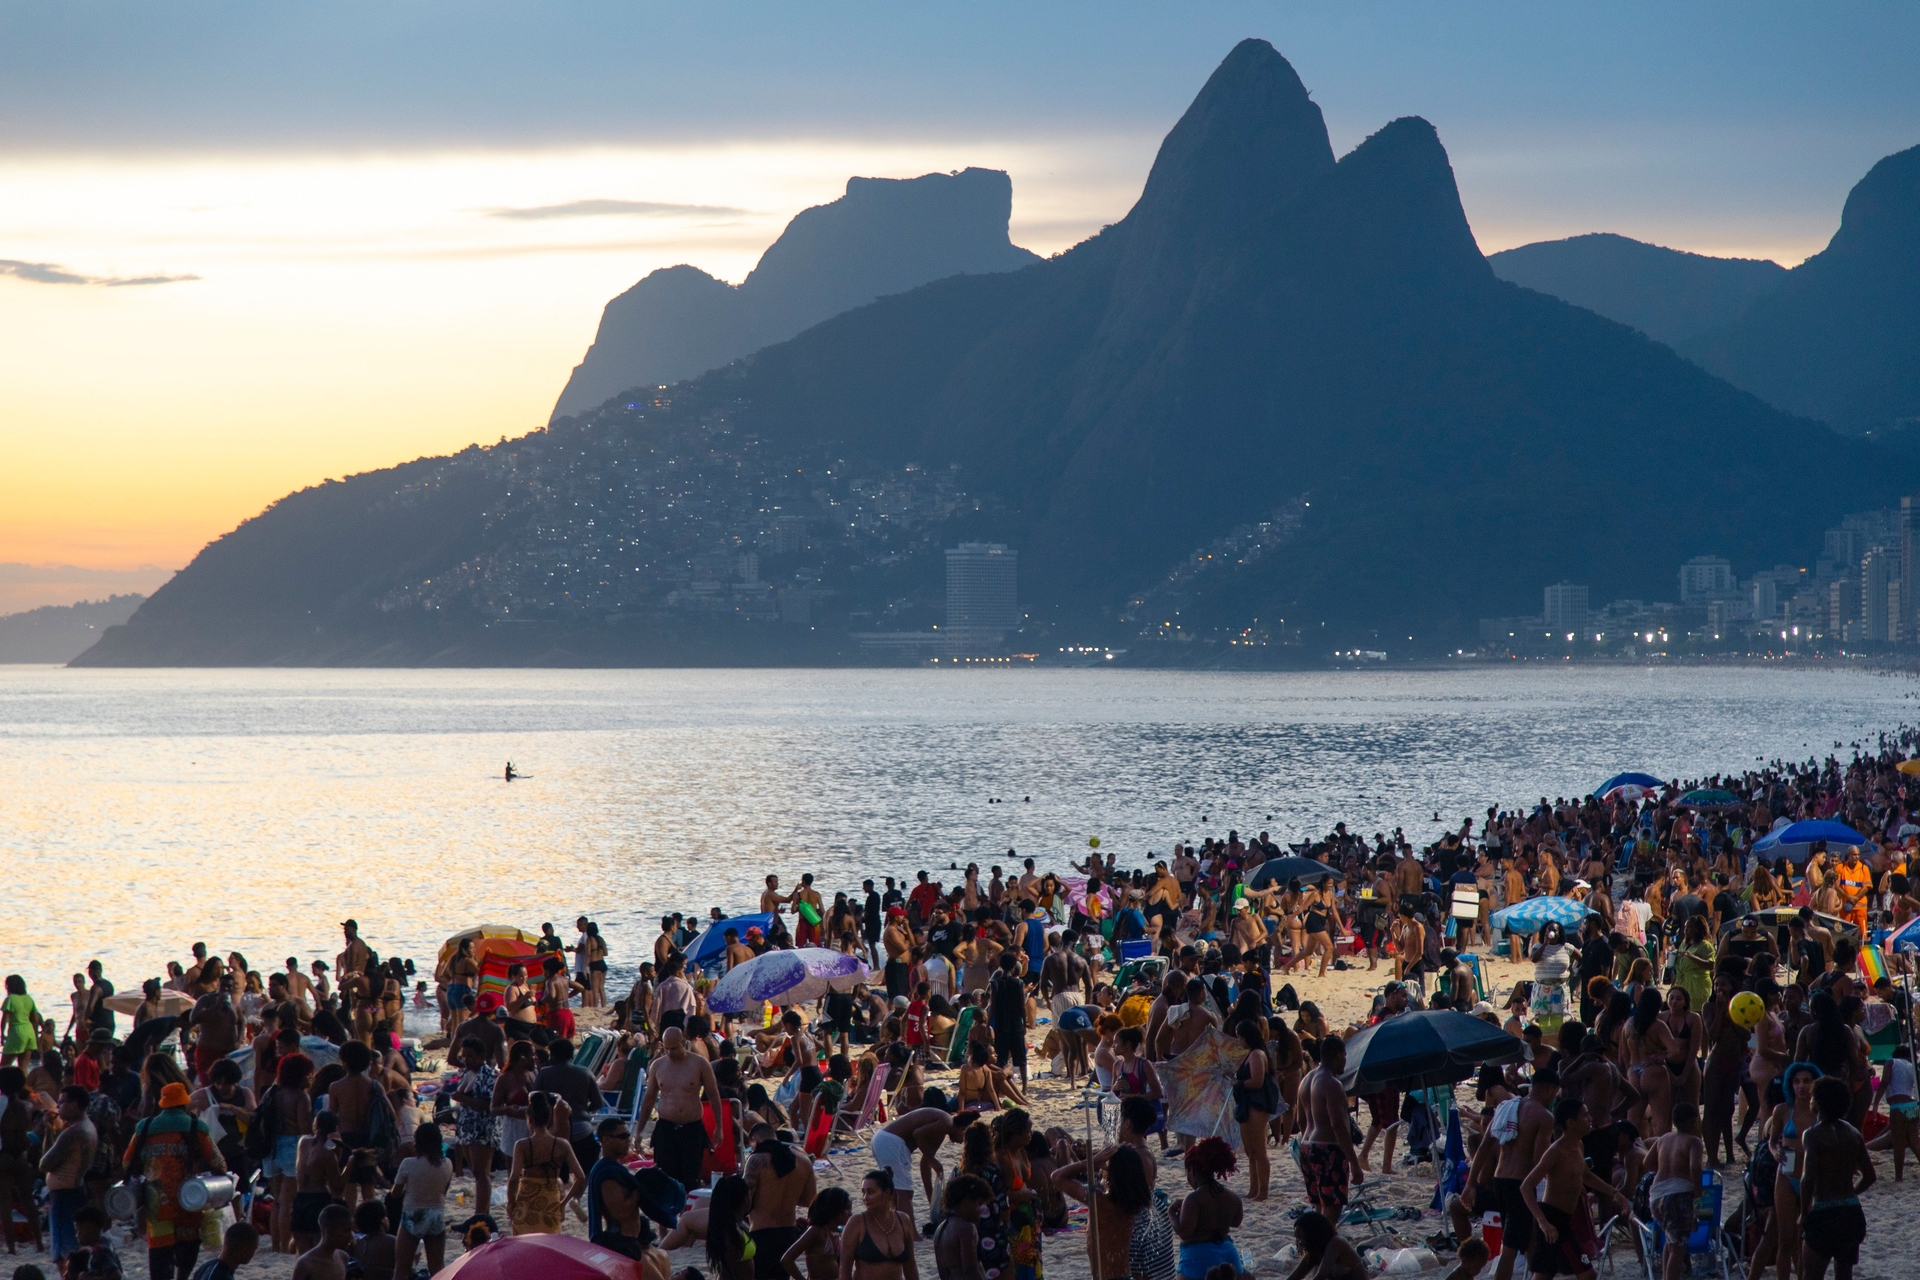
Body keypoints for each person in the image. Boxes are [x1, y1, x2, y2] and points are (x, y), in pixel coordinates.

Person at [1517, 1098, 1630, 1280]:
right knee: (1588, 1274)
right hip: (1553, 1221)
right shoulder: (1555, 1151)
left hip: (1566, 1219)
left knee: (1542, 1276)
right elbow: (1526, 1186)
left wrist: (1614, 1192)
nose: (1590, 1119)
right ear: (1571, 1123)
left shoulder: (1579, 1145)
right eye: (1585, 1116)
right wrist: (1542, 1221)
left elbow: (1586, 1175)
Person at [1798, 1076, 1874, 1280]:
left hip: (1824, 1212)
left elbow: (1808, 1178)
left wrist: (1803, 1213)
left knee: (1811, 1275)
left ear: (1818, 1102)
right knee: (1844, 1275)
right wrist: (1850, 1193)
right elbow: (1869, 1176)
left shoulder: (1813, 1135)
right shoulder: (1853, 1133)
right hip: (1851, 1212)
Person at [639, 1025, 722, 1193]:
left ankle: (687, 1209)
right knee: (665, 1179)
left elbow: (714, 1096)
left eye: (674, 1048)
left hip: (692, 1128)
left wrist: (719, 1127)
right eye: (666, 1048)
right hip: (666, 1128)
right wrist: (639, 1130)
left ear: (683, 1043)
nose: (670, 1052)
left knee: (691, 1178)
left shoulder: (699, 1064)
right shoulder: (658, 1066)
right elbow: (648, 1100)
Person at [1053, 1143, 1151, 1280]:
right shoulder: (1135, 1202)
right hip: (1125, 1275)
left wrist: (1091, 1161)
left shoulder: (1099, 1201)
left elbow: (1057, 1177)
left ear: (1111, 1173)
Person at [1296, 1036, 1362, 1221]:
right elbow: (1338, 1125)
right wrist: (1354, 1163)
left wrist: (1310, 1143)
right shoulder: (1332, 1084)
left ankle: (1317, 1240)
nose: (1346, 1060)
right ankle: (1324, 1239)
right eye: (1345, 1055)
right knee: (1332, 1207)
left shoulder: (1306, 1080)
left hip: (1306, 1147)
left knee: (1319, 1205)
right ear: (1338, 1055)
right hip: (1328, 1150)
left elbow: (1300, 1120)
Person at [745, 1123, 817, 1280]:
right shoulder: (803, 1160)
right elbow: (810, 1200)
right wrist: (789, 1196)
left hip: (762, 1234)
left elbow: (744, 1200)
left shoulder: (756, 1159)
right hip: (788, 1233)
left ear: (755, 1139)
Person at [509, 1092, 585, 1236]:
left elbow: (514, 1178)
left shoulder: (522, 1145)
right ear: (549, 1118)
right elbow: (580, 1177)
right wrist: (563, 1204)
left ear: (529, 1118)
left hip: (526, 1200)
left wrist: (511, 1202)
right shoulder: (562, 1144)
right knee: (548, 1243)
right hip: (551, 1202)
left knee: (524, 1243)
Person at [38, 1085, 96, 1267]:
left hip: (64, 1195)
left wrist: (49, 1130)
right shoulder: (87, 1126)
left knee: (65, 1255)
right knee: (75, 1250)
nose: (58, 1106)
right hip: (75, 1190)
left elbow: (44, 1164)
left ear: (74, 1105)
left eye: (61, 1102)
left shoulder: (73, 1132)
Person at [1646, 1103, 1704, 1280]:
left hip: (1656, 1196)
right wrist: (1698, 1192)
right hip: (1678, 1196)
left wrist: (1663, 1170)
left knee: (1670, 1242)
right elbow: (1695, 1168)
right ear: (1695, 1122)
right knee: (1678, 1249)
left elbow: (1647, 1163)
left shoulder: (1663, 1138)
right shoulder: (1694, 1142)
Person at [1171, 1137, 1242, 1280]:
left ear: (1192, 1171)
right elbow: (1236, 1222)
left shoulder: (1193, 1199)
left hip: (1198, 1257)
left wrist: (1172, 1213)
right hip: (1228, 1253)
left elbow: (1184, 1232)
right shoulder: (1232, 1197)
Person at [838, 1169, 919, 1280]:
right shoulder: (857, 1223)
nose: (865, 1197)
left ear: (887, 1193)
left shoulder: (903, 1220)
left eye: (871, 1192)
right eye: (863, 1192)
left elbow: (910, 1266)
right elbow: (845, 1270)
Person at [1230, 1020, 1276, 1200]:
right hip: (1248, 1105)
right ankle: (1253, 1189)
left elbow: (1257, 1081)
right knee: (1250, 1152)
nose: (1238, 1040)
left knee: (1259, 1151)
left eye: (1239, 1037)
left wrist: (1238, 1083)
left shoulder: (1257, 1054)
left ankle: (1262, 1191)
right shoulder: (1252, 1053)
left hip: (1256, 1105)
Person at [782, 1186, 853, 1280]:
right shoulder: (816, 1231)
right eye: (847, 1208)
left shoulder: (838, 1233)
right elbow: (787, 1259)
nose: (850, 1213)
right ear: (835, 1209)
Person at [1276, 1209, 1367, 1280]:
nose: (1300, 1242)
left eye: (1301, 1237)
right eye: (1298, 1238)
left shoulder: (1336, 1242)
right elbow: (1296, 1275)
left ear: (1313, 1233)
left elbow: (1321, 1276)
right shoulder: (1315, 1251)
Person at [291, 1201, 354, 1280]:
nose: (351, 1236)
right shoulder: (306, 1263)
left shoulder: (343, 1257)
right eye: (346, 1230)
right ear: (330, 1232)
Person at [188, 1221, 261, 1280]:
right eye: (253, 1249)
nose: (253, 1254)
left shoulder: (211, 1266)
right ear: (244, 1250)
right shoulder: (218, 1275)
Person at [2, 976, 43, 1068]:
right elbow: (35, 1020)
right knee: (23, 1065)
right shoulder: (29, 999)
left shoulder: (11, 999)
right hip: (29, 1033)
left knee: (4, 1065)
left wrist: (2, 1034)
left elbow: (5, 1019)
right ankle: (23, 1078)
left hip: (16, 1032)